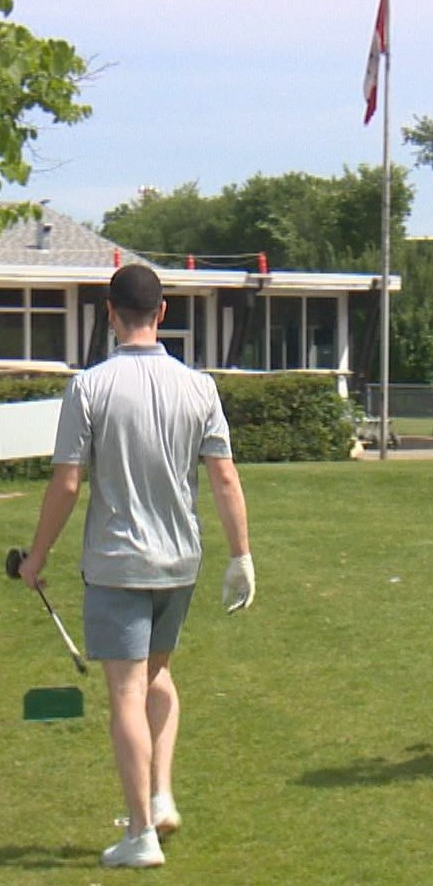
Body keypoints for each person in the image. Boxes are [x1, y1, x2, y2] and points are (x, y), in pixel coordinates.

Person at [16, 264, 256, 869]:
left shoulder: (88, 387)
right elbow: (224, 475)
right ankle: (160, 795)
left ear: (107, 312)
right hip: (180, 560)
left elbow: (67, 481)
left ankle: (142, 833)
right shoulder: (198, 386)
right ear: (163, 312)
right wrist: (241, 556)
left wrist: (38, 556)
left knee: (125, 690)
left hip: (118, 562)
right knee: (157, 675)